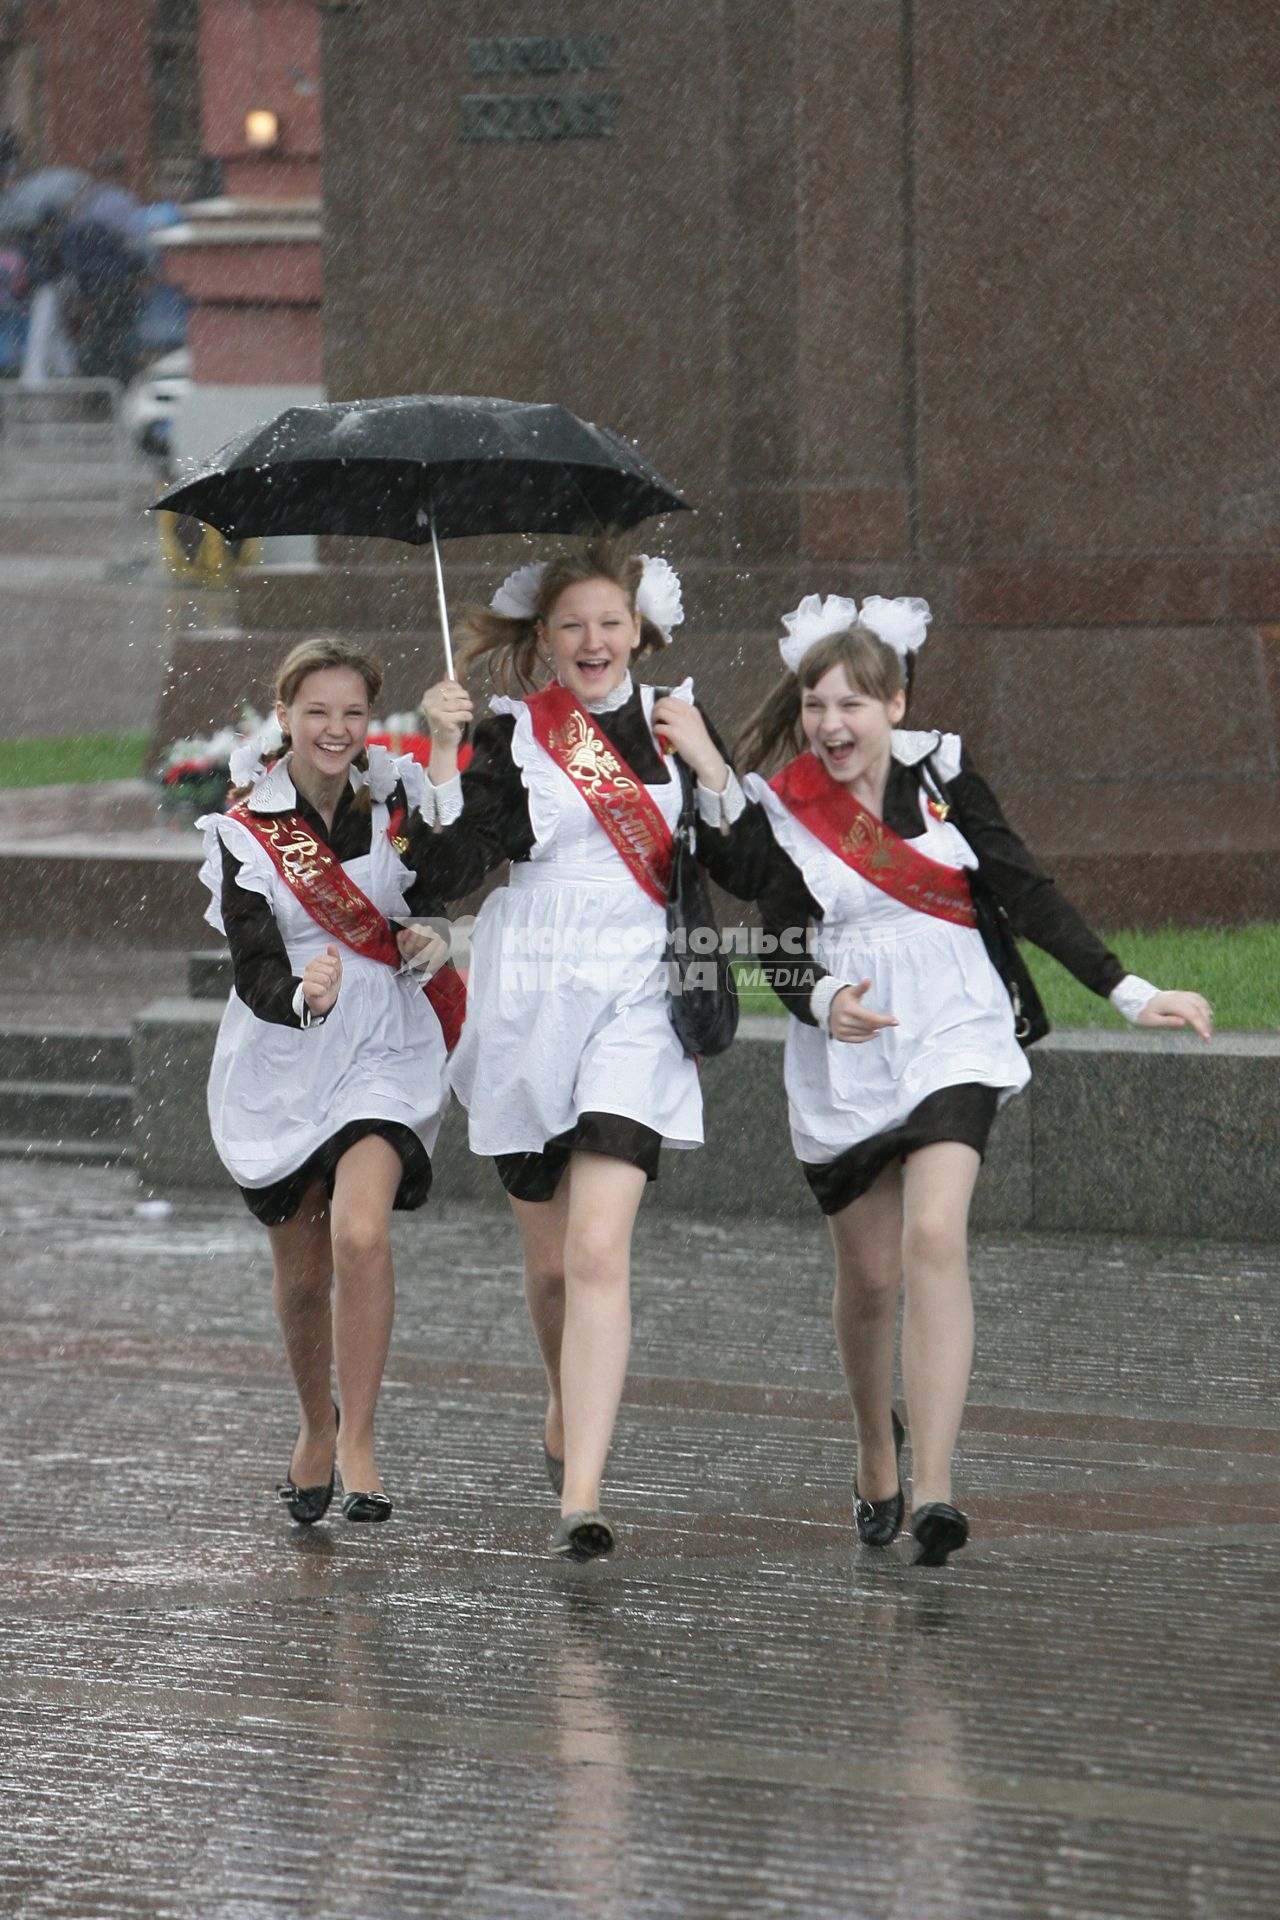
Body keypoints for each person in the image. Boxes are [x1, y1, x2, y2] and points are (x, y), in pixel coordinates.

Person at [732, 593, 1213, 1565]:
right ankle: (876, 1447)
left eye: (851, 706)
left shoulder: (946, 782)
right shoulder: (783, 810)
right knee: (868, 1280)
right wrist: (823, 1000)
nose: (831, 725)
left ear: (893, 705)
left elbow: (1023, 889)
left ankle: (938, 1487)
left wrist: (1128, 990)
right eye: (816, 705)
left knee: (935, 1231)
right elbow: (773, 948)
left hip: (954, 1025)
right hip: (852, 1047)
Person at [413, 538, 751, 1561]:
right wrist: (439, 754)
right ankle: (564, 1392)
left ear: (640, 628)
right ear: (545, 640)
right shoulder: (512, 733)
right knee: (551, 1258)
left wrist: (710, 768)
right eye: (572, 625)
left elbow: (746, 860)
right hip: (527, 997)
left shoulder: (676, 720)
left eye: (611, 621)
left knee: (600, 1247)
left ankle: (585, 1493)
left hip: (640, 995)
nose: (593, 641)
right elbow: (451, 869)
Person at [197, 635, 457, 1525]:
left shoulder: (398, 801)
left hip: (384, 1041)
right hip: (287, 1048)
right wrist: (301, 995)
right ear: (285, 717)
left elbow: (440, 887)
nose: (337, 729)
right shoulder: (243, 829)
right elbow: (252, 963)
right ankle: (317, 1423)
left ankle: (362, 1442)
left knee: (360, 1234)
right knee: (304, 1274)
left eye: (352, 712)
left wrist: (430, 933)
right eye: (318, 712)